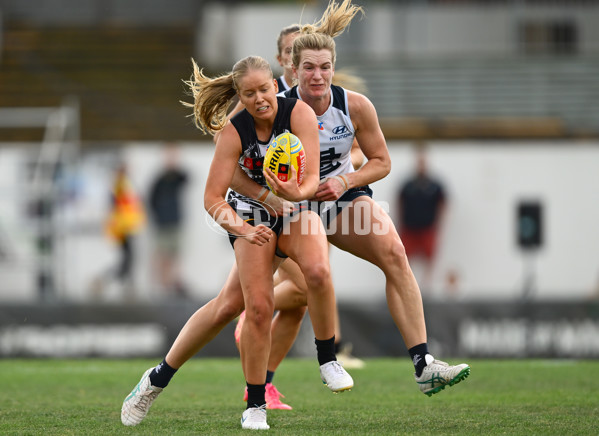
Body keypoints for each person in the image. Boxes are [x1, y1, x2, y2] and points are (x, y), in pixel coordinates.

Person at [232, 0, 469, 403]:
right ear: (292, 67)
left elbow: (382, 162)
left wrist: (345, 181)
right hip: (289, 208)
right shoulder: (274, 105)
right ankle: (255, 358)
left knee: (395, 253)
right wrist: (265, 197)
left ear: (333, 66)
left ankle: (424, 365)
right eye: (309, 67)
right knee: (288, 293)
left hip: (338, 200)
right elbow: (234, 155)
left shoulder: (354, 106)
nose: (318, 75)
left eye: (325, 67)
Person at [121, 55, 353, 431]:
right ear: (239, 96)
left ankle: (327, 359)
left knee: (317, 271)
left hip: (294, 207)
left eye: (265, 89)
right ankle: (251, 404)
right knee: (256, 308)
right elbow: (213, 197)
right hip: (251, 217)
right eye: (250, 93)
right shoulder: (234, 129)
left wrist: (296, 192)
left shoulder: (298, 114)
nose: (260, 98)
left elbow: (311, 180)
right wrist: (245, 228)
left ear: (276, 84)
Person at [396, 144, 447, 295]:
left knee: (429, 259)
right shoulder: (408, 184)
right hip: (409, 227)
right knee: (404, 258)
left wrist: (439, 223)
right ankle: (408, 287)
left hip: (427, 227)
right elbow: (400, 201)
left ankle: (427, 287)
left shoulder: (435, 185)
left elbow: (443, 203)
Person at [90, 161, 145, 301]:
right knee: (128, 260)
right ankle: (106, 282)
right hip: (123, 228)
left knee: (129, 259)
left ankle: (126, 287)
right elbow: (119, 206)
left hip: (127, 227)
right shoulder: (120, 184)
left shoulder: (123, 183)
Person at [148, 143, 189, 297]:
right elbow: (151, 200)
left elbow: (187, 178)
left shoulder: (177, 177)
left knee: (175, 254)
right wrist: (158, 218)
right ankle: (163, 285)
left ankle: (172, 283)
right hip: (163, 223)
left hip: (175, 221)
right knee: (163, 254)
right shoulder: (160, 179)